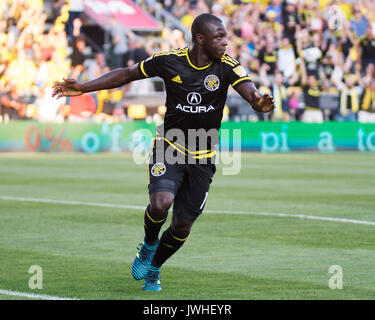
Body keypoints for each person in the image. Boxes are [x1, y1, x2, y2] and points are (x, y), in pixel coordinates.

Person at [52, 13, 275, 292]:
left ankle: (155, 267)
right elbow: (126, 74)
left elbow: (252, 94)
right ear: (201, 39)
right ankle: (148, 245)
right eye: (219, 37)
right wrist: (84, 88)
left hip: (203, 156)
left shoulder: (227, 67)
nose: (226, 42)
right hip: (169, 147)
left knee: (182, 227)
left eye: (225, 36)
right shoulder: (169, 60)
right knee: (161, 202)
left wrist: (260, 104)